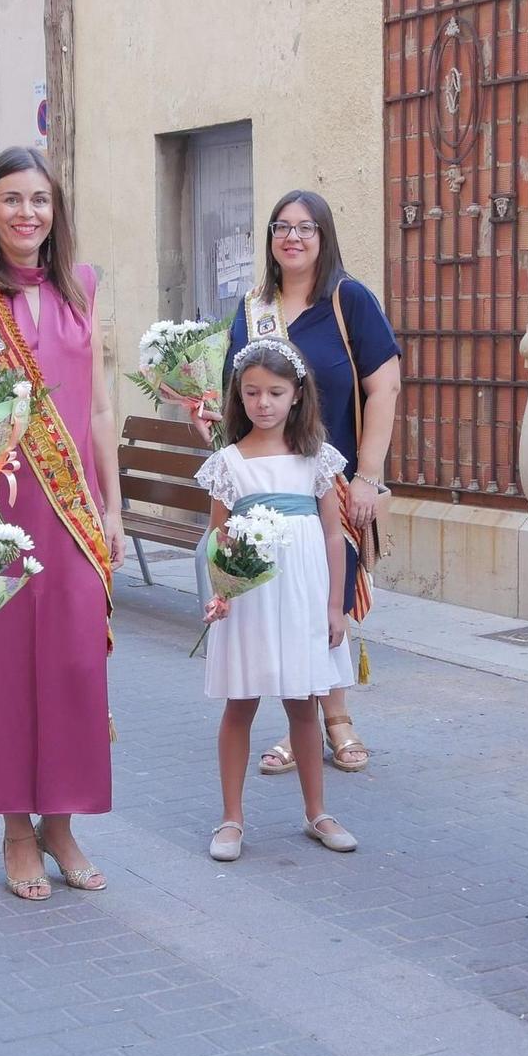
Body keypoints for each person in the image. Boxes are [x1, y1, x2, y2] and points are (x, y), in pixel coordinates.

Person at [0, 146, 123, 901]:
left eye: (38, 199)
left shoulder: (84, 287)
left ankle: (61, 820)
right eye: (11, 199)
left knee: (74, 663)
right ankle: (14, 826)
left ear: (55, 209)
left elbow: (99, 405)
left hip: (68, 508)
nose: (26, 213)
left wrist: (112, 502)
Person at [209, 192, 402, 779]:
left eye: (305, 227)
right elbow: (235, 391)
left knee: (327, 598)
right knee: (284, 600)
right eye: (281, 227)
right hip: (268, 480)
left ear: (324, 235)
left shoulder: (349, 300)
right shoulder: (253, 306)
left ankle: (335, 715)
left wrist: (368, 475)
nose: (292, 237)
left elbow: (384, 387)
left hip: (331, 477)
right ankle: (301, 720)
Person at [197, 338, 359, 862]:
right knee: (240, 703)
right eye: (250, 393)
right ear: (237, 397)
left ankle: (318, 811)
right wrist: (222, 590)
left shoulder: (317, 458)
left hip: (304, 595)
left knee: (303, 704)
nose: (262, 403)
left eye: (274, 392)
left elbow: (334, 536)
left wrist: (335, 606)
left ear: (296, 395)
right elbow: (217, 535)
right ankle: (231, 818)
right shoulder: (228, 463)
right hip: (250, 597)